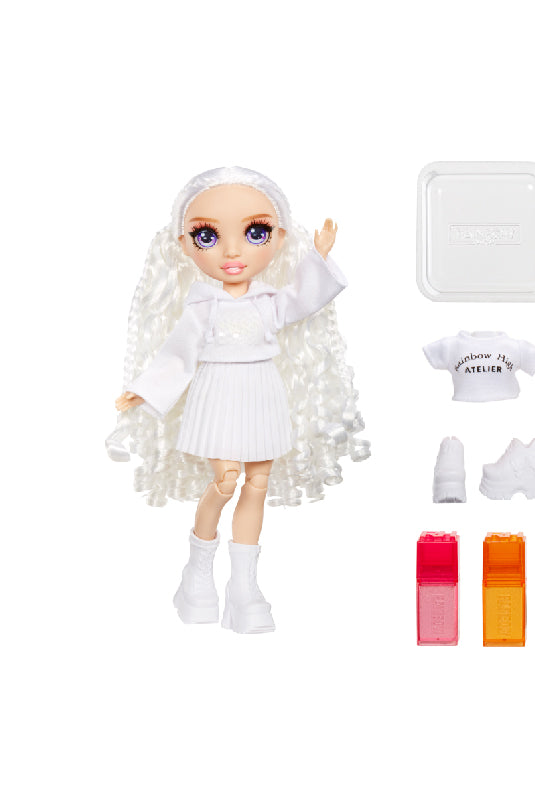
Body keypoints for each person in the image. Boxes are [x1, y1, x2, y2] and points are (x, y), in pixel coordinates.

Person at [108, 166, 368, 632]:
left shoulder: (269, 301)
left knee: (258, 483)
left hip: (261, 392)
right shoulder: (203, 306)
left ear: (279, 237)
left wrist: (320, 258)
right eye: (207, 236)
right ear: (185, 244)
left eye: (255, 233)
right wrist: (143, 388)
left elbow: (304, 299)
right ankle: (197, 572)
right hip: (218, 394)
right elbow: (179, 354)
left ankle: (245, 588)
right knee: (225, 481)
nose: (232, 252)